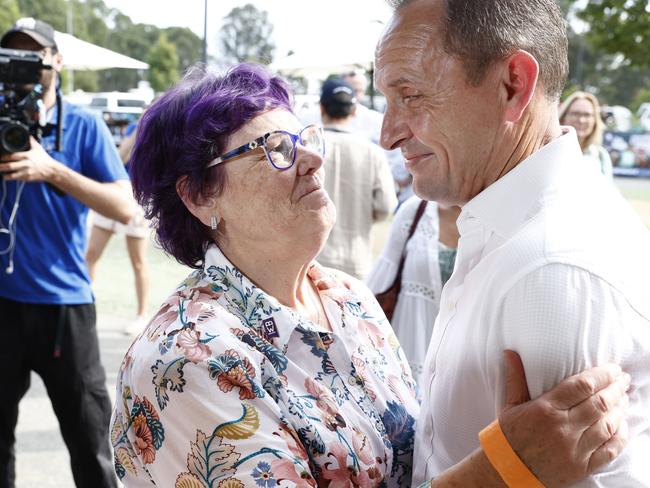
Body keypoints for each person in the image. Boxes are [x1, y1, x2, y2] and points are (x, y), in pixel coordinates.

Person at [110, 63, 629, 487]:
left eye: (305, 138)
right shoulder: (184, 360)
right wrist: (504, 467)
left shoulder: (346, 298)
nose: (313, 160)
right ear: (201, 197)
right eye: (275, 149)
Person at [376, 0, 650, 485]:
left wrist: (502, 471)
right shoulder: (513, 227)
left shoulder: (549, 270)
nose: (388, 134)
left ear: (513, 85)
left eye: (411, 95)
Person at [0, 18, 134, 488]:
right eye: (11, 55)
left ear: (57, 60)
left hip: (64, 305)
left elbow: (125, 205)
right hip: (3, 304)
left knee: (90, 438)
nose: (23, 66)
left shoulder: (82, 124)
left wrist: (51, 170)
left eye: (33, 55)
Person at [366, 197, 459, 384]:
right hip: (411, 344)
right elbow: (381, 277)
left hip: (459, 356)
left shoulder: (488, 221)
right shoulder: (415, 211)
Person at [316, 78, 396, 279]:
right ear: (354, 111)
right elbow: (386, 206)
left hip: (312, 258)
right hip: (356, 259)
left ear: (322, 108)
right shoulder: (372, 153)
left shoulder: (308, 149)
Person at [86, 125, 151, 335]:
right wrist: (138, 129)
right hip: (115, 191)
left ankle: (141, 315)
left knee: (138, 261)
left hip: (140, 196)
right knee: (92, 253)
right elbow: (119, 158)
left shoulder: (160, 128)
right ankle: (86, 306)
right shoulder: (134, 128)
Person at [559, 91, 614, 180]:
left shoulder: (601, 156)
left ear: (595, 121)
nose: (581, 120)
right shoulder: (550, 151)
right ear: (563, 117)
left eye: (587, 115)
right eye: (575, 114)